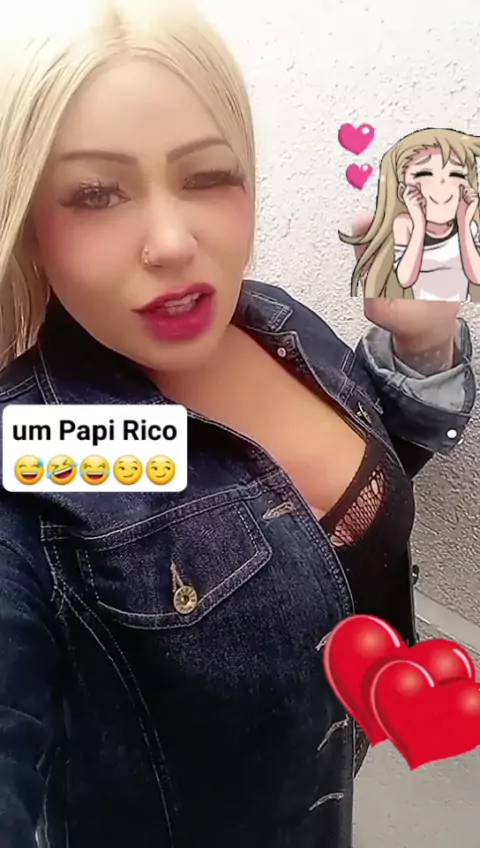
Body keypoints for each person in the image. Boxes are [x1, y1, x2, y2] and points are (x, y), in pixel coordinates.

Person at [0, 1, 476, 846]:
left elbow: (355, 481)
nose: (172, 242)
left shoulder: (277, 320)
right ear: (30, 225)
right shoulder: (33, 454)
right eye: (97, 193)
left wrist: (423, 341)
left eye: (207, 175)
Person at [340, 127, 480, 301]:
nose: (442, 185)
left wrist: (465, 224)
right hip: (415, 312)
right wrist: (419, 224)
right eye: (424, 173)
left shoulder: (468, 225)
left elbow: (477, 276)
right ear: (402, 192)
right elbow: (406, 278)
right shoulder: (405, 224)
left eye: (456, 174)